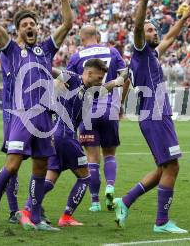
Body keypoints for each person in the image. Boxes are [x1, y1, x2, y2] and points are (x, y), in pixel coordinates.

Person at [0, 0, 73, 231]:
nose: (29, 27)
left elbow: (67, 24)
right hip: (21, 117)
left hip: (44, 116)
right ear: (18, 31)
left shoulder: (46, 49)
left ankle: (34, 217)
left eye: (32, 24)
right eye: (24, 25)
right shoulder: (12, 50)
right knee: (12, 165)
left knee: (40, 167)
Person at [113, 0, 190, 233]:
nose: (153, 32)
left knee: (164, 167)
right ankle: (161, 222)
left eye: (153, 30)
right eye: (150, 30)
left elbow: (170, 38)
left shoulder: (151, 54)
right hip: (155, 114)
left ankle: (125, 202)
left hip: (157, 114)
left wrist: (184, 18)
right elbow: (138, 24)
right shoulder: (139, 51)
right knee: (172, 166)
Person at [18, 59, 128, 228]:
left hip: (56, 136)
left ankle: (26, 210)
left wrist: (120, 79)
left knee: (50, 179)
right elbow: (52, 70)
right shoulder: (73, 78)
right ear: (89, 73)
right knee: (85, 177)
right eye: (99, 77)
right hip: (64, 136)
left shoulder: (90, 90)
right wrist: (38, 66)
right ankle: (66, 217)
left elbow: (106, 87)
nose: (100, 81)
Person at [67, 25, 128, 212]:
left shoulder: (77, 57)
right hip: (110, 109)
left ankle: (95, 202)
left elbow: (69, 83)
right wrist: (121, 104)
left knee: (92, 156)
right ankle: (110, 186)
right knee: (109, 154)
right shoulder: (112, 52)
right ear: (97, 36)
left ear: (82, 37)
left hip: (87, 112)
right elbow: (125, 77)